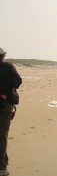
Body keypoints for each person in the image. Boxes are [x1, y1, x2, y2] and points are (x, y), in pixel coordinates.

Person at [0, 48, 22, 176]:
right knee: (2, 133)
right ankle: (2, 167)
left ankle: (4, 161)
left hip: (4, 103)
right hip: (5, 103)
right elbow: (18, 82)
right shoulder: (8, 66)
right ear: (2, 55)